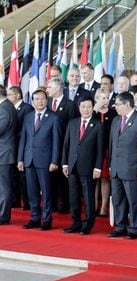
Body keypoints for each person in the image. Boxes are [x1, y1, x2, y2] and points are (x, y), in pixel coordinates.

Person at [107, 92, 137, 239]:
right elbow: (112, 144)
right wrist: (110, 164)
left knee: (134, 200)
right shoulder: (115, 120)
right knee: (117, 199)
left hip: (133, 168)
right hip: (116, 168)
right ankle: (120, 226)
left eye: (118, 104)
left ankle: (134, 228)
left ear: (127, 104)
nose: (116, 107)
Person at [18, 89, 62, 230]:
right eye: (36, 99)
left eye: (42, 98)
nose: (40, 101)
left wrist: (54, 161)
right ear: (33, 101)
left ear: (46, 99)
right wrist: (20, 159)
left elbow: (56, 142)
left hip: (45, 161)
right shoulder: (28, 116)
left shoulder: (54, 117)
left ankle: (47, 219)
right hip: (29, 160)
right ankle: (35, 217)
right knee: (32, 191)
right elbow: (23, 139)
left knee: (47, 192)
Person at [62, 97, 104, 235]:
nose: (86, 109)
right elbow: (66, 145)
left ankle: (88, 224)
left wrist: (98, 167)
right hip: (72, 166)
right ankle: (75, 223)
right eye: (83, 107)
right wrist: (64, 163)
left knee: (88, 197)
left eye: (88, 107)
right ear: (79, 108)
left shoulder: (98, 125)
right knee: (73, 196)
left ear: (93, 108)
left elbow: (100, 149)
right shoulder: (72, 123)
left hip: (89, 167)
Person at [47, 77, 78, 214]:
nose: (47, 89)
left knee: (63, 178)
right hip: (48, 146)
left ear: (58, 88)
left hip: (64, 145)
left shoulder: (70, 105)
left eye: (49, 87)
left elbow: (72, 127)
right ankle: (52, 204)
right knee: (50, 177)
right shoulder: (47, 102)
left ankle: (65, 204)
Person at [7, 86, 33, 210]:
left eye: (9, 95)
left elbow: (26, 130)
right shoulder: (10, 108)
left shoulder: (27, 108)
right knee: (14, 175)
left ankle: (27, 201)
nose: (7, 98)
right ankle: (15, 199)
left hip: (23, 146)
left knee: (24, 176)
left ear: (17, 95)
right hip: (13, 146)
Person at [93, 89, 117, 217]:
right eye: (102, 98)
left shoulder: (113, 113)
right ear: (96, 99)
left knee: (105, 179)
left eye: (107, 97)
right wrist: (95, 110)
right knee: (94, 179)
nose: (105, 100)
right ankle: (94, 206)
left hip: (107, 150)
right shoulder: (93, 113)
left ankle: (103, 207)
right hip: (94, 150)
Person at [0, 85, 18, 225]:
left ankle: (3, 216)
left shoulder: (5, 108)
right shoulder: (7, 106)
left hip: (4, 153)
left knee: (4, 186)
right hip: (4, 153)